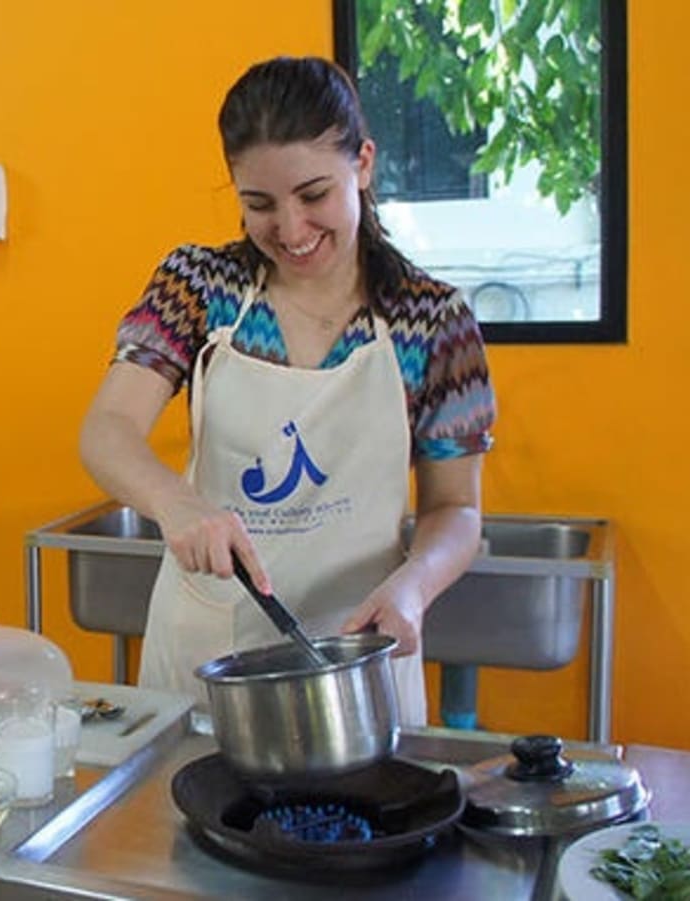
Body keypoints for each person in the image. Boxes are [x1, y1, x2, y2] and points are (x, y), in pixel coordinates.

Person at [78, 57, 495, 724]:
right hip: (207, 655)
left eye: (313, 195)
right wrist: (175, 504)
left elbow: (457, 509)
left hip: (360, 658)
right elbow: (107, 430)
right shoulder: (200, 285)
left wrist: (415, 586)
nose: (292, 231)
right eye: (260, 205)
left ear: (362, 163)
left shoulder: (432, 320)